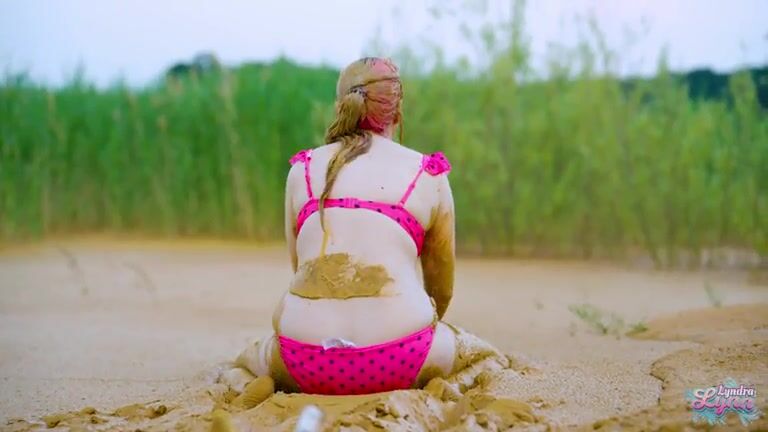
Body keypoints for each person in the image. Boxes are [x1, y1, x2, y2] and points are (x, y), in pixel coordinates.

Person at [220, 57, 506, 401]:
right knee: (488, 358)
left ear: (340, 106)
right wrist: (415, 326)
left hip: (303, 360)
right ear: (397, 110)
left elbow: (302, 270)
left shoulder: (303, 170)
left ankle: (251, 384)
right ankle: (443, 386)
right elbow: (441, 290)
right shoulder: (427, 173)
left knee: (240, 364)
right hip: (400, 357)